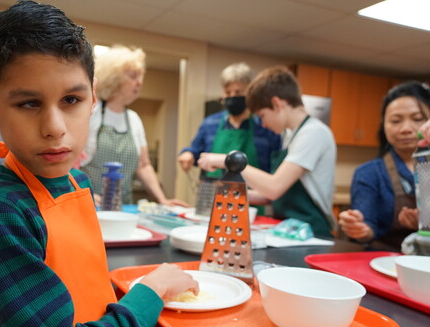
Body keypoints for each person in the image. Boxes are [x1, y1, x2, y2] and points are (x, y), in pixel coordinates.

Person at [0, 2, 199, 327]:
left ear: (92, 97)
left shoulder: (78, 182)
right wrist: (150, 292)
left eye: (71, 100)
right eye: (29, 103)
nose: (55, 127)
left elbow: (82, 285)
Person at [198, 66, 336, 237]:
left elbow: (274, 187)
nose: (262, 124)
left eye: (262, 115)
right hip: (291, 230)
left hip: (312, 233)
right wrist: (229, 195)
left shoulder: (314, 133)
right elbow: (274, 195)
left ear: (276, 104)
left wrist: (228, 160)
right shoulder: (291, 136)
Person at [80, 45, 188, 207]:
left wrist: (162, 200)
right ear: (113, 78)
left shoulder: (133, 119)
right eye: (133, 76)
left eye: (140, 76)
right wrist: (83, 192)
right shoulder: (91, 112)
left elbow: (143, 165)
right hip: (89, 204)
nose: (140, 82)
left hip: (124, 207)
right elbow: (70, 161)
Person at [177, 62, 282, 215]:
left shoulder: (265, 126)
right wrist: (188, 154)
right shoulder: (210, 123)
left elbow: (275, 175)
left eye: (238, 91)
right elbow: (195, 150)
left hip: (251, 207)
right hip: (211, 205)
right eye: (228, 92)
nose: (233, 96)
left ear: (250, 93)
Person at [338, 81, 430, 251]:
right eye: (395, 121)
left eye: (418, 119)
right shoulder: (369, 173)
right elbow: (367, 226)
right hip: (385, 261)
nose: (406, 128)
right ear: (384, 126)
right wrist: (359, 228)